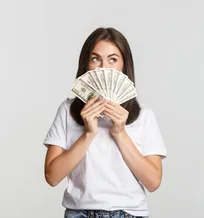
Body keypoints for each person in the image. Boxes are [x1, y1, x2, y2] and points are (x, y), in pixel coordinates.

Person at [43, 27, 167, 218]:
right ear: (86, 64)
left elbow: (153, 182)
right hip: (79, 213)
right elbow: (52, 177)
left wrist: (120, 133)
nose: (103, 67)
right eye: (95, 59)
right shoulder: (67, 111)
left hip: (128, 213)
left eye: (113, 59)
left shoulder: (143, 115)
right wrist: (88, 134)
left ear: (124, 65)